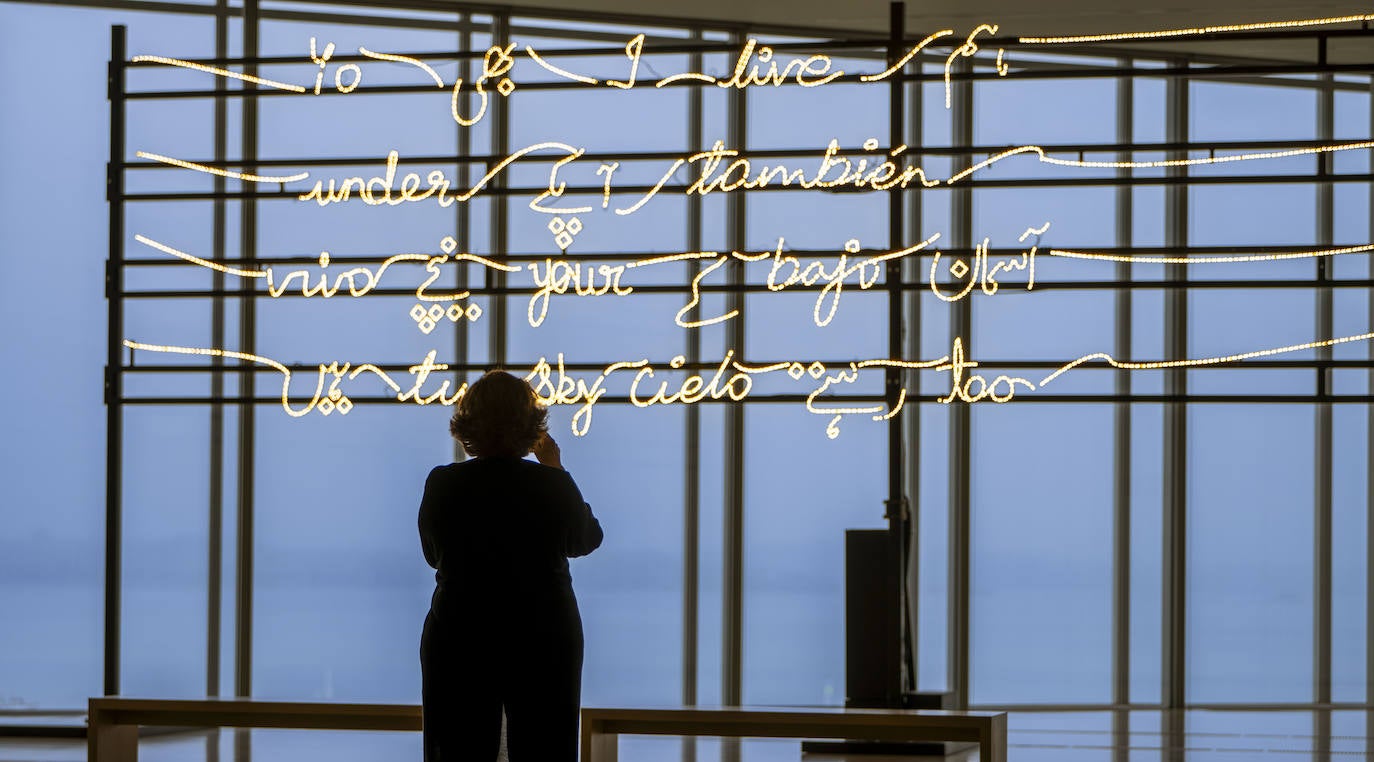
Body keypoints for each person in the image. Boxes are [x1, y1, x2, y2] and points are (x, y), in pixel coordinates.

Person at [418, 370, 604, 762]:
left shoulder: (444, 483)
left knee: (459, 744)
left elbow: (433, 555)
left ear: (468, 422)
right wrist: (554, 467)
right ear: (530, 425)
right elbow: (586, 539)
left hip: (460, 631)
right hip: (543, 634)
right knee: (544, 742)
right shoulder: (550, 484)